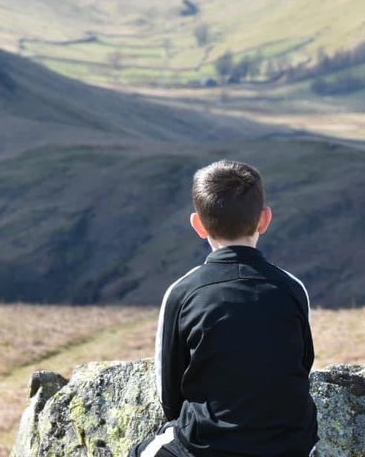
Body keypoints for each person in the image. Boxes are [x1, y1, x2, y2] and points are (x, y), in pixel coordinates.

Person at [129, 160, 318, 457]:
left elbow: (169, 393)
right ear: (264, 219)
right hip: (291, 444)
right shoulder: (291, 287)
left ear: (198, 225)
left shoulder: (182, 292)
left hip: (207, 444)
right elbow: (302, 365)